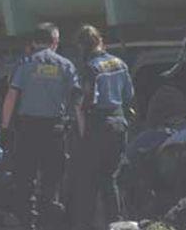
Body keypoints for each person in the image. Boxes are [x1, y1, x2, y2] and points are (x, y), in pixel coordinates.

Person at [1, 23, 83, 230]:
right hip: (55, 130)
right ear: (55, 42)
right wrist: (82, 130)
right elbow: (77, 101)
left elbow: (11, 96)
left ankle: (28, 223)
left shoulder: (24, 63)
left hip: (28, 129)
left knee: (25, 179)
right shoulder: (65, 65)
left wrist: (4, 128)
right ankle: (49, 223)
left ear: (34, 42)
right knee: (51, 180)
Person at [71, 25, 134, 230]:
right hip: (119, 123)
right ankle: (116, 221)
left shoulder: (90, 68)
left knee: (90, 178)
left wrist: (82, 136)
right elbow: (128, 97)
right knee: (111, 176)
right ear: (100, 40)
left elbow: (83, 104)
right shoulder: (120, 63)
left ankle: (91, 224)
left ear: (82, 47)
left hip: (98, 126)